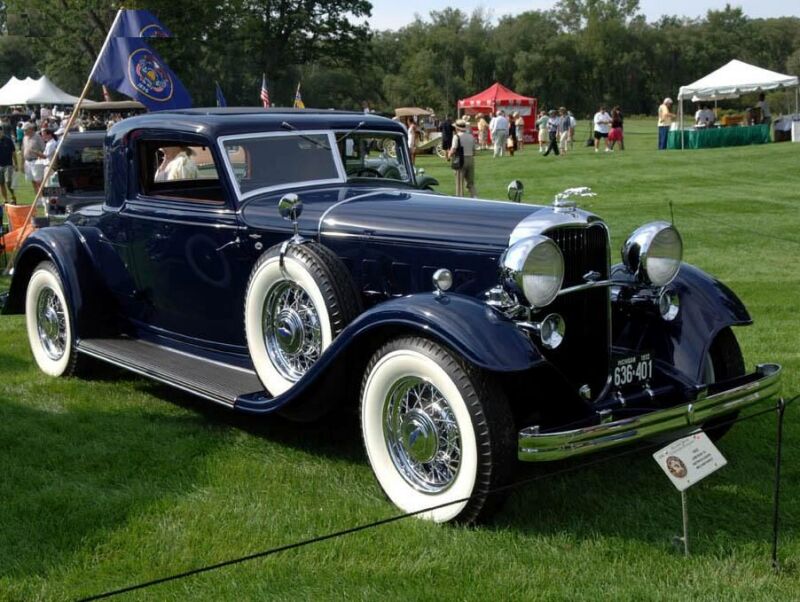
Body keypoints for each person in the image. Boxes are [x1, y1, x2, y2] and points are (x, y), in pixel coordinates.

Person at [448, 119, 476, 198]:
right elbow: (474, 151)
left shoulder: (456, 136)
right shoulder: (471, 136)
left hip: (461, 160)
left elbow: (453, 149)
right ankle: (474, 196)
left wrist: (449, 155)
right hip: (470, 158)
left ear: (457, 128)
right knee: (470, 182)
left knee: (459, 183)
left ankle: (460, 198)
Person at [22, 122, 45, 193]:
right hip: (27, 162)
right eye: (23, 130)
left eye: (25, 130)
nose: (24, 131)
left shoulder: (37, 137)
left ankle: (43, 197)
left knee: (39, 181)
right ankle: (38, 197)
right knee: (32, 181)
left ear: (30, 129)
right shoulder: (24, 138)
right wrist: (22, 162)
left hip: (36, 161)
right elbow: (23, 149)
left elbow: (43, 149)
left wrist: (37, 153)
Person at [0, 126, 19, 204]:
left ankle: (13, 197)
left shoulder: (8, 140)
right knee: (1, 183)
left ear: (2, 131)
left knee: (8, 182)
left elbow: (13, 153)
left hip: (8, 164)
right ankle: (5, 200)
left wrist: (16, 164)